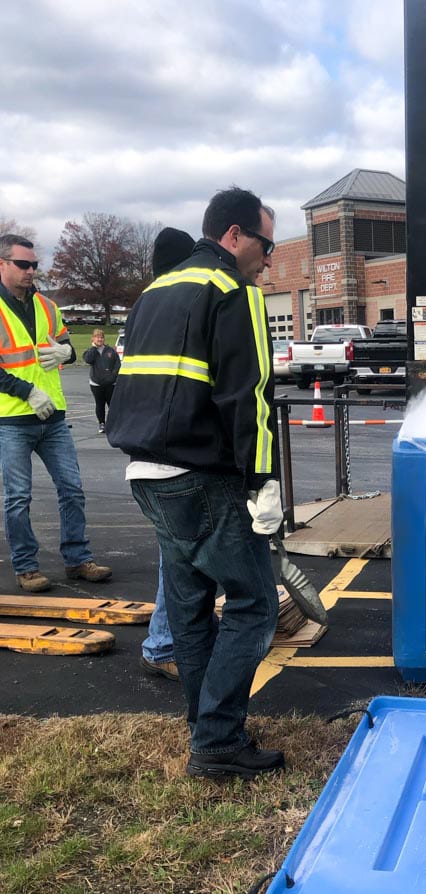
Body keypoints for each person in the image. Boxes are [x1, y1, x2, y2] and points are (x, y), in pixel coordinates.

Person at [107, 188, 284, 779]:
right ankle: (216, 741)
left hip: (147, 474)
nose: (268, 257)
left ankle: (204, 729)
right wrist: (264, 482)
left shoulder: (154, 292)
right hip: (202, 476)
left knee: (188, 607)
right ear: (233, 236)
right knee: (255, 602)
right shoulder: (234, 291)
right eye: (265, 243)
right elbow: (247, 398)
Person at [0, 233, 112, 593]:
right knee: (18, 498)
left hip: (54, 417)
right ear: (3, 264)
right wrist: (26, 391)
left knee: (72, 490)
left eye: (34, 265)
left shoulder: (47, 306)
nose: (31, 270)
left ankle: (77, 559)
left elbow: (65, 344)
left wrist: (68, 353)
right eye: (23, 264)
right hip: (12, 419)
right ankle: (26, 567)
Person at [138, 227, 196, 683]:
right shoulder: (176, 308)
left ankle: (176, 634)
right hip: (170, 456)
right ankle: (162, 643)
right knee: (176, 555)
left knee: (178, 553)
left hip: (149, 454)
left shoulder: (146, 307)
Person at [82, 328, 121, 432]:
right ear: (93, 339)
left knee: (112, 404)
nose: (100, 339)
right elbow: (88, 360)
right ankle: (101, 423)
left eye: (101, 337)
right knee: (100, 404)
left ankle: (113, 423)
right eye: (97, 337)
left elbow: (117, 364)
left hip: (110, 383)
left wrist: (113, 376)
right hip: (96, 384)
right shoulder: (90, 351)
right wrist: (94, 348)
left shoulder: (110, 351)